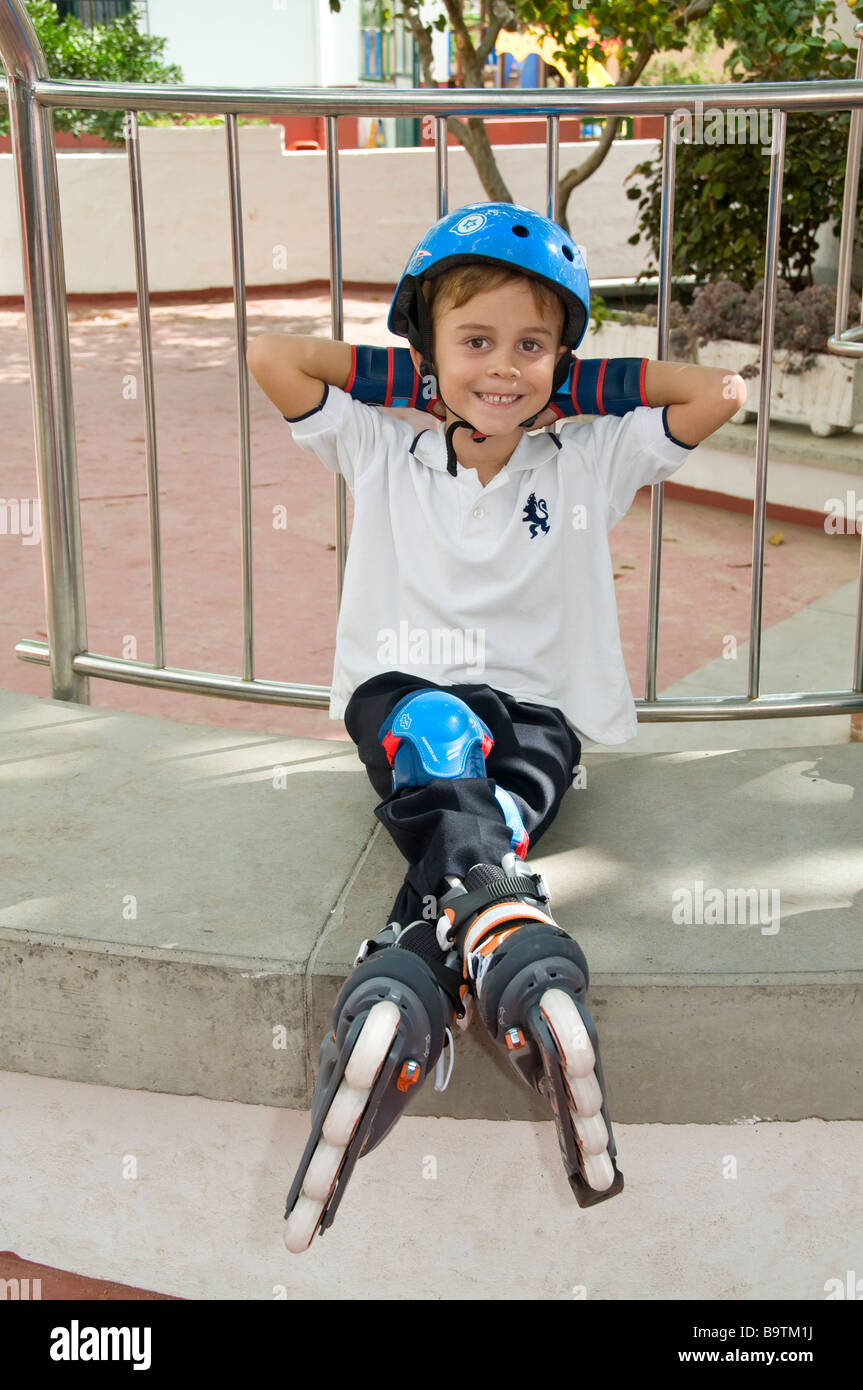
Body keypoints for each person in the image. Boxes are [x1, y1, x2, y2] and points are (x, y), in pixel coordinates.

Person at [246, 202, 746, 1253]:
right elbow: (273, 357)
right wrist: (421, 377)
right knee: (440, 741)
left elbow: (716, 390)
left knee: (488, 817)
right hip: (408, 697)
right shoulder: (382, 448)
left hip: (537, 718)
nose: (503, 368)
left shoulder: (584, 461)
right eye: (476, 342)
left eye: (531, 345)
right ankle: (509, 943)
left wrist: (577, 387)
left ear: (563, 358)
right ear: (427, 350)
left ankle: (404, 984)